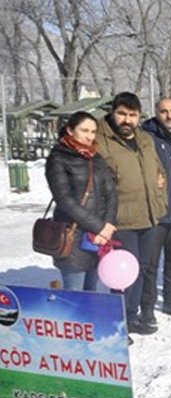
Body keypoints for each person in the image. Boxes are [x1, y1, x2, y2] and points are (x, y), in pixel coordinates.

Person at [95, 92, 167, 336]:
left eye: (132, 115)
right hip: (121, 219)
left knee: (144, 268)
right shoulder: (101, 140)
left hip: (149, 215)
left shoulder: (145, 139)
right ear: (113, 112)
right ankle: (120, 322)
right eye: (122, 114)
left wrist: (160, 198)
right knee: (123, 273)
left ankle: (134, 315)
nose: (127, 120)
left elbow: (158, 171)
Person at [45, 112, 118, 291]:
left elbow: (111, 192)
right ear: (70, 130)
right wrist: (99, 226)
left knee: (92, 291)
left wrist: (108, 225)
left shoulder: (96, 157)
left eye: (93, 132)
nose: (89, 136)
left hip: (98, 238)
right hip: (73, 235)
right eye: (84, 130)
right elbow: (65, 200)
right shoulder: (58, 158)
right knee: (74, 293)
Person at [141, 98, 171, 321]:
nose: (169, 115)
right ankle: (147, 306)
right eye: (164, 111)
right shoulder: (146, 137)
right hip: (155, 213)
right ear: (156, 113)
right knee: (150, 263)